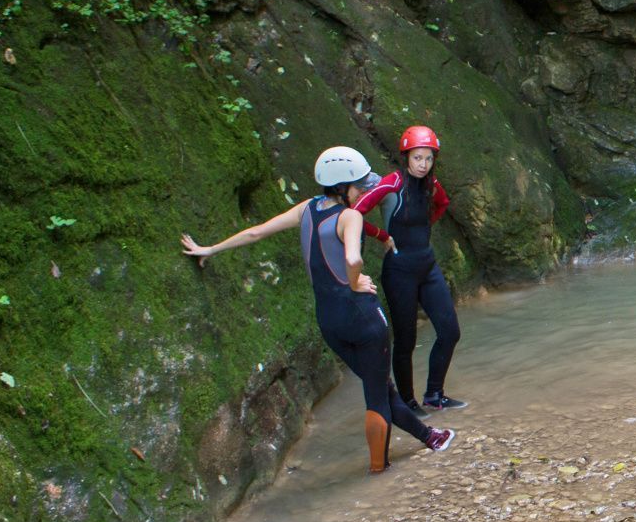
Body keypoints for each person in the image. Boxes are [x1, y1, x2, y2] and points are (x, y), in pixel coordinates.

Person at [182, 147, 454, 474]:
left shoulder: (307, 209)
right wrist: (355, 282)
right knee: (378, 393)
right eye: (359, 186)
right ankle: (380, 469)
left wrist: (210, 248)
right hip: (363, 318)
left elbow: (257, 231)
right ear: (342, 187)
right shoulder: (350, 217)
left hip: (329, 321)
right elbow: (353, 259)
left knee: (380, 385)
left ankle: (430, 437)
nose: (365, 191)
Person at [356, 126, 465, 412]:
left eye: (428, 159)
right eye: (418, 158)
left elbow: (443, 204)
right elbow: (353, 214)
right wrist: (381, 234)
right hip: (399, 270)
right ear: (406, 157)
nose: (423, 164)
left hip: (427, 266)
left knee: (450, 331)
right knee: (406, 340)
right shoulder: (392, 183)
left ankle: (435, 395)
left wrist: (425, 225)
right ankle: (406, 402)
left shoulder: (432, 185)